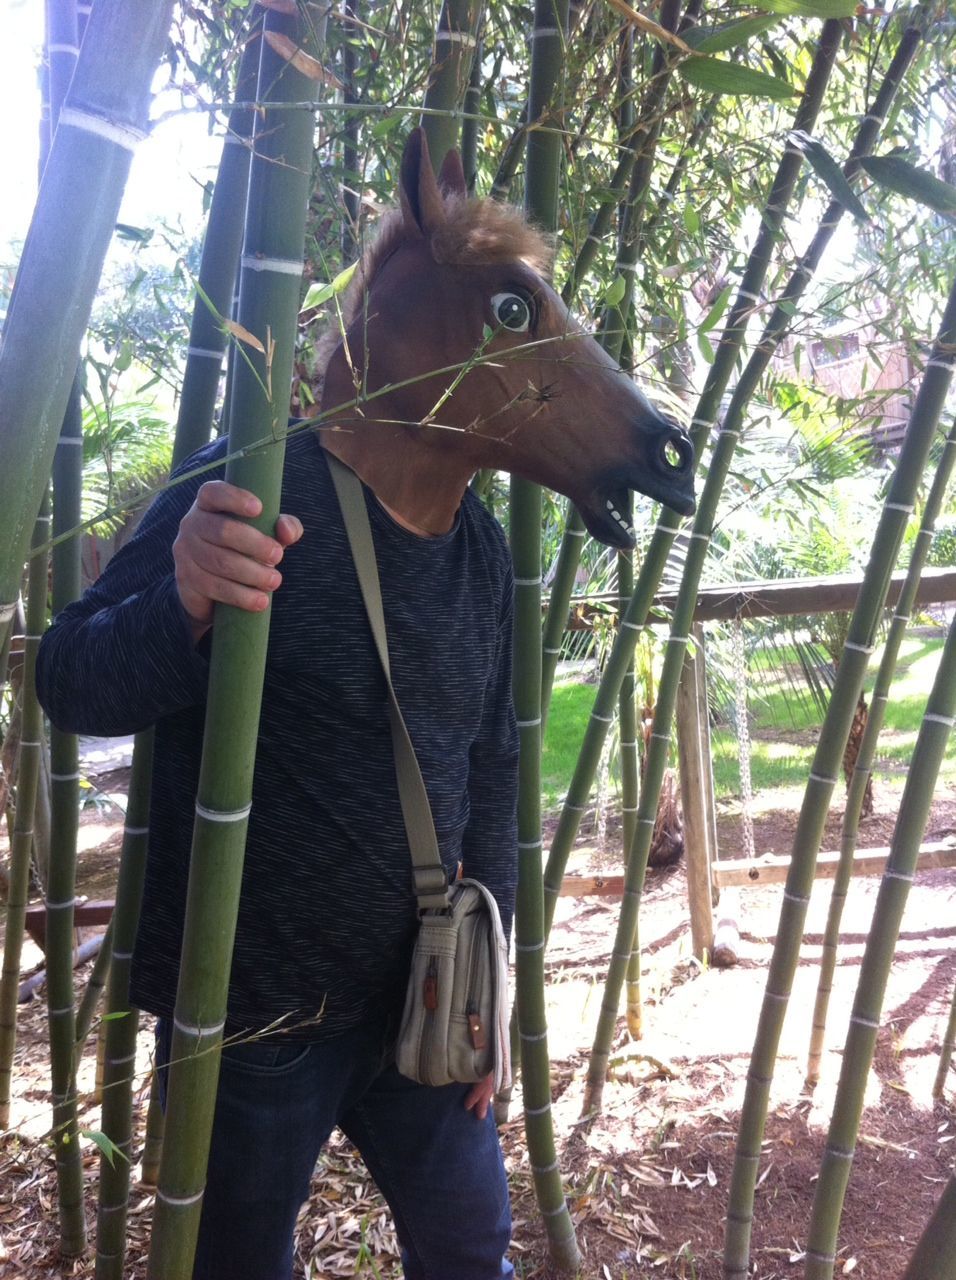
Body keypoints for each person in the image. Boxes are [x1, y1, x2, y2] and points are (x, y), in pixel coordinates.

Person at [36, 423, 519, 1280]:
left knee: (471, 1249)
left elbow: (492, 762)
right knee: (240, 1263)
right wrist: (181, 602)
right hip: (252, 1017)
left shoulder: (478, 539)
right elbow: (70, 676)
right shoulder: (250, 481)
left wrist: (496, 986)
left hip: (431, 996)